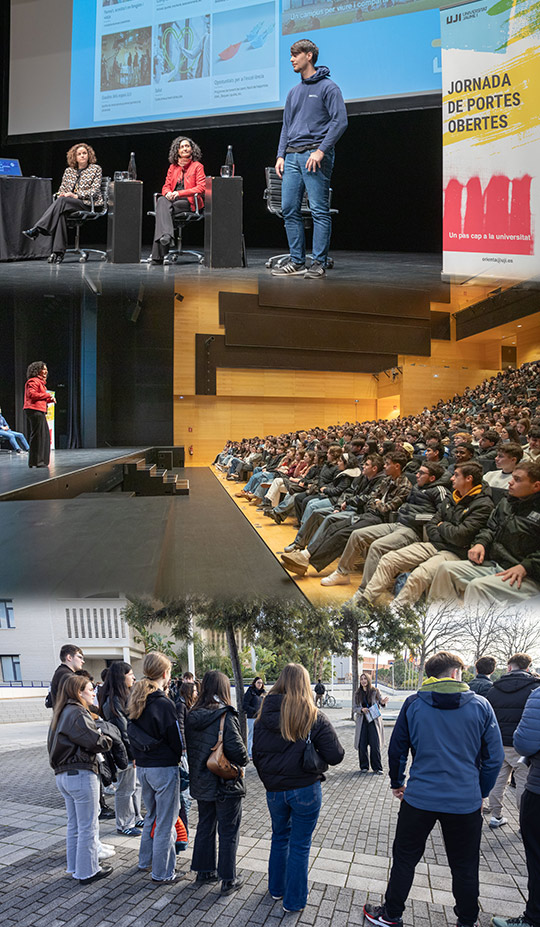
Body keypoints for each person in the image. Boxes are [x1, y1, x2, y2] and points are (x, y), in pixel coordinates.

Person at [363, 651, 504, 927]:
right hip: (464, 802)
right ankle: (467, 921)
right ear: (455, 674)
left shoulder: (414, 704)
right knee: (464, 866)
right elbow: (494, 759)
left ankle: (392, 914)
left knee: (405, 859)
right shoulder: (481, 706)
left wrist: (397, 782)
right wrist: (480, 792)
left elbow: (397, 749)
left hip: (419, 799)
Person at [252, 663, 344, 913]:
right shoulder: (313, 716)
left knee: (279, 837)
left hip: (275, 790)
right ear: (305, 684)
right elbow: (336, 755)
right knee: (300, 845)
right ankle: (293, 902)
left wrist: (269, 781)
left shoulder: (263, 716)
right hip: (305, 788)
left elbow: (256, 755)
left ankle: (276, 890)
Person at [272, 38, 347, 278]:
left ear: (309, 56)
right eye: (291, 55)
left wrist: (321, 150)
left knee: (318, 210)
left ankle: (319, 263)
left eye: (296, 55)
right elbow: (286, 126)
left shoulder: (329, 87)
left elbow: (340, 121)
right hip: (292, 157)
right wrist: (280, 155)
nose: (292, 59)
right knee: (288, 209)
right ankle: (296, 261)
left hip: (315, 155)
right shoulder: (293, 92)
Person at [429, 460, 540, 608]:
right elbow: (490, 528)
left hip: (527, 575)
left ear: (536, 486)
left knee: (478, 586)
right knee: (445, 569)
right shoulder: (507, 502)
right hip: (497, 564)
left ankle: (472, 630)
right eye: (512, 478)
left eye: (517, 480)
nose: (510, 483)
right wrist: (481, 543)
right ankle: (437, 621)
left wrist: (525, 566)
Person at [185, 670, 248, 896]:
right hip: (224, 782)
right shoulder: (225, 715)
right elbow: (240, 753)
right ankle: (228, 879)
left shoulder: (192, 714)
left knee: (205, 826)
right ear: (223, 689)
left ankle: (203, 871)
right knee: (229, 830)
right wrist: (244, 761)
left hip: (202, 781)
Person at [47, 673, 114, 884]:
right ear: (78, 692)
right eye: (90, 689)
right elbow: (95, 741)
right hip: (80, 773)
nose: (94, 692)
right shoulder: (76, 712)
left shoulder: (61, 712)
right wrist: (106, 737)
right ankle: (88, 871)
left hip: (65, 774)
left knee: (75, 824)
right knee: (88, 826)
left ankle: (76, 867)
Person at [127, 651, 183, 883]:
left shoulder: (137, 699)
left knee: (152, 816)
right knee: (165, 823)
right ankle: (163, 873)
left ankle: (145, 861)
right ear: (165, 673)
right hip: (163, 767)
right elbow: (175, 740)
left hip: (144, 768)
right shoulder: (163, 703)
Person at [492, 684, 540, 927]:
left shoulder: (537, 694)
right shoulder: (532, 688)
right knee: (519, 781)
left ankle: (533, 919)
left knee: (501, 780)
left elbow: (525, 742)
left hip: (537, 782)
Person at [484, 653, 540, 830]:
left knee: (498, 781)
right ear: (528, 667)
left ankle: (496, 816)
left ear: (509, 667)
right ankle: (525, 821)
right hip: (523, 746)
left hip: (498, 742)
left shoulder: (493, 689)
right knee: (524, 782)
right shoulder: (534, 689)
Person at [23, 142, 103, 263]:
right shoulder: (69, 171)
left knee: (63, 201)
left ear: (89, 155)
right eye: (79, 154)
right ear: (74, 157)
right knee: (61, 213)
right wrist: (62, 194)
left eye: (84, 153)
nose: (82, 156)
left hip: (87, 203)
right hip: (67, 203)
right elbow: (62, 189)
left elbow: (95, 191)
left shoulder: (95, 169)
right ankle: (58, 253)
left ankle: (38, 229)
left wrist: (76, 195)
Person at [100, 661, 143, 837]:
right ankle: (124, 823)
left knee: (134, 785)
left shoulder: (122, 697)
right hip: (124, 752)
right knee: (125, 789)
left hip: (130, 751)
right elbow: (124, 731)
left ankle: (136, 816)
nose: (133, 677)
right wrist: (132, 754)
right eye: (130, 673)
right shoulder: (114, 701)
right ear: (121, 676)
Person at [150, 136, 205, 264]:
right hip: (172, 200)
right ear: (177, 151)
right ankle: (167, 236)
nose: (185, 148)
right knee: (162, 201)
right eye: (181, 147)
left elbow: (201, 188)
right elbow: (166, 185)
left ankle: (157, 257)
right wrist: (168, 193)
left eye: (187, 146)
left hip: (189, 201)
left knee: (162, 211)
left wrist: (179, 193)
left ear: (192, 149)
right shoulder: (172, 167)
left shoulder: (197, 166)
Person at [353, 672, 388, 774]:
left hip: (373, 721)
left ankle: (377, 768)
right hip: (362, 721)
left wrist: (383, 702)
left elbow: (380, 701)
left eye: (365, 679)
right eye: (361, 679)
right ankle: (364, 766)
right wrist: (361, 709)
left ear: (368, 680)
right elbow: (354, 708)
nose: (363, 681)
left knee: (375, 744)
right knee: (362, 744)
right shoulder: (357, 693)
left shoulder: (375, 691)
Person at [23, 361, 56, 469]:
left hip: (38, 410)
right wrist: (46, 395)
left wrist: (49, 399)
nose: (46, 371)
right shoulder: (33, 381)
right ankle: (37, 461)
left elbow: (39, 397)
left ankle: (38, 461)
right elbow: (32, 395)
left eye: (46, 369)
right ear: (37, 371)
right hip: (34, 410)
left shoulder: (40, 383)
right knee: (39, 436)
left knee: (43, 436)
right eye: (43, 369)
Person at [242, 676, 265, 759]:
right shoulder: (250, 692)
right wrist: (254, 710)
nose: (260, 684)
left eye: (261, 683)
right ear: (254, 683)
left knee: (259, 735)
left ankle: (257, 751)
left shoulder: (262, 694)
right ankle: (250, 753)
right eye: (258, 682)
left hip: (260, 717)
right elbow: (244, 705)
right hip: (251, 717)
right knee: (251, 735)